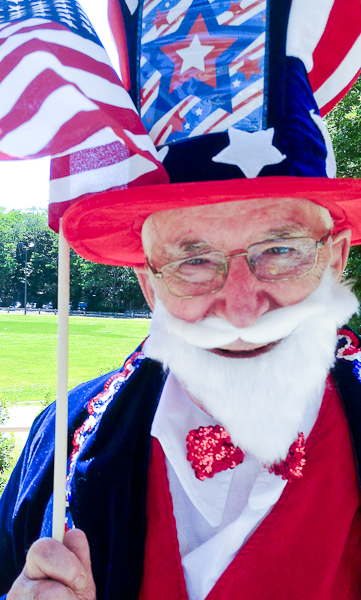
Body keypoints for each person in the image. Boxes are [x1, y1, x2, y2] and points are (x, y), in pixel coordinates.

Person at [2, 0, 361, 599]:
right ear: (148, 281)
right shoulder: (59, 446)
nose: (243, 311)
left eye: (280, 249)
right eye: (195, 260)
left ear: (336, 255)